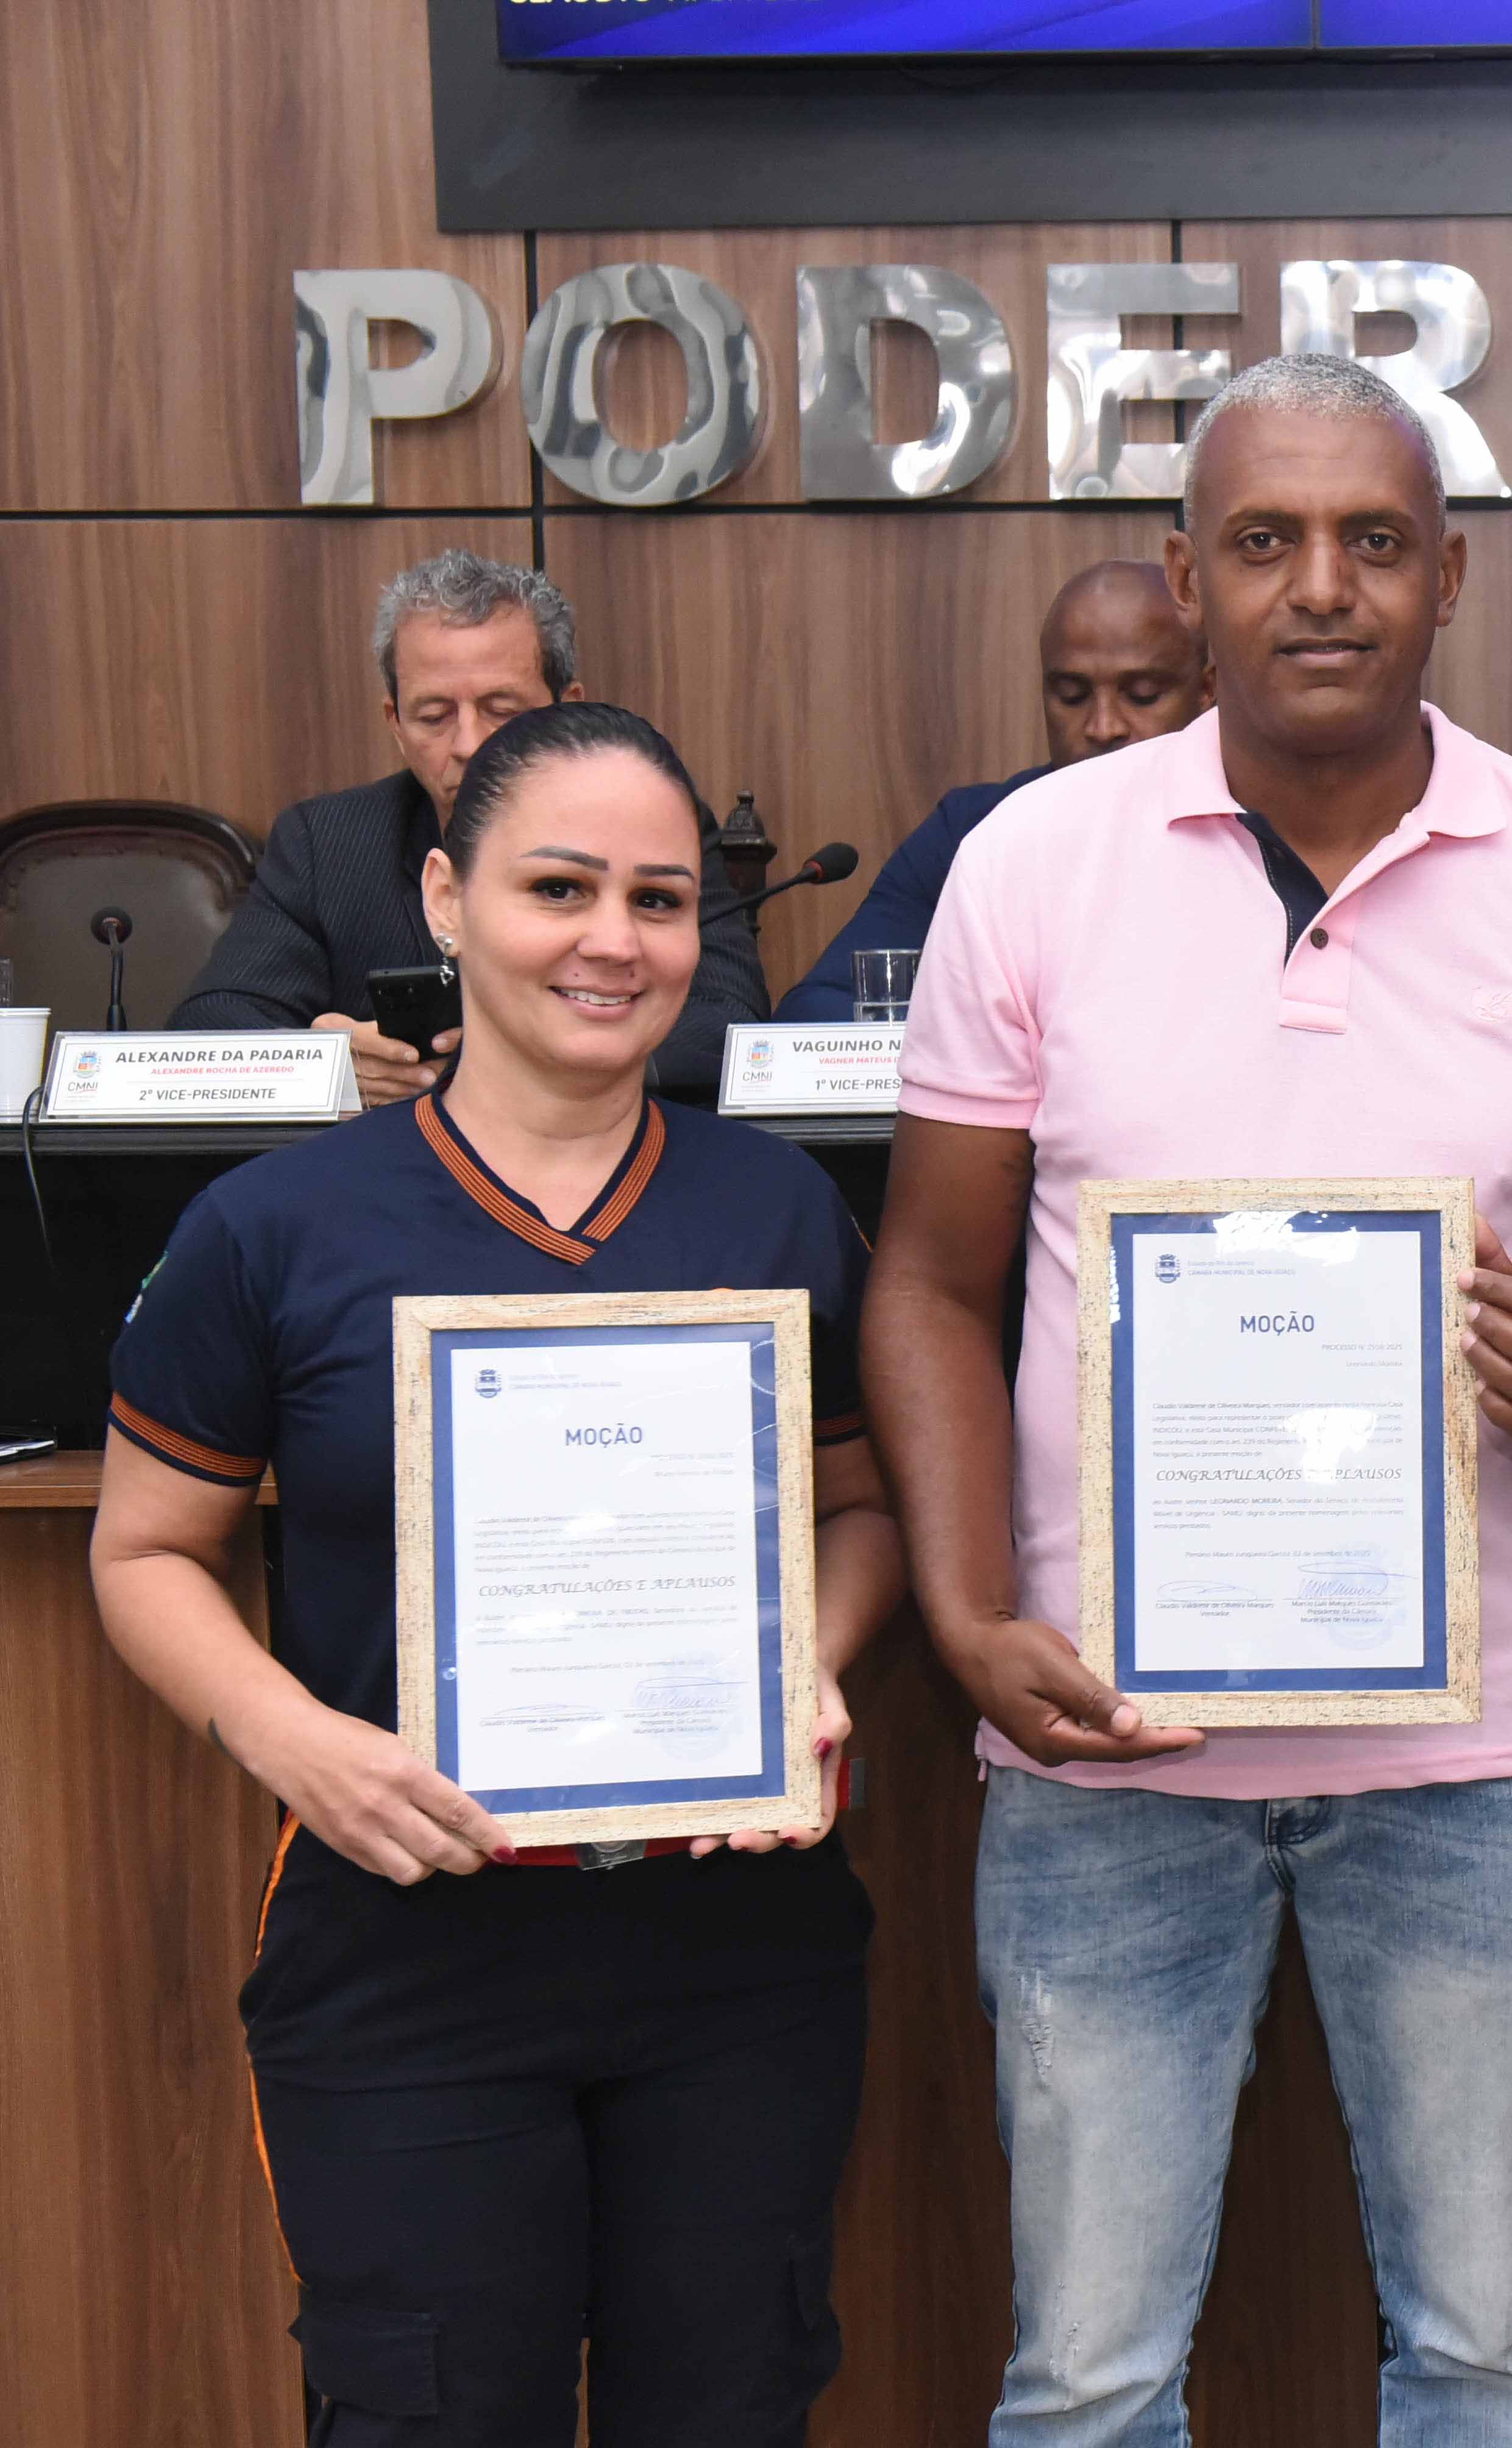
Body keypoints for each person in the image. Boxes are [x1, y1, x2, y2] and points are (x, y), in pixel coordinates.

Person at [861, 352, 1512, 2447]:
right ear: (1190, 578)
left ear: (1450, 577)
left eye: (1373, 541)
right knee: (1085, 2376)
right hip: (1105, 1747)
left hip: (1476, 1760)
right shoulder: (1033, 867)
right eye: (1265, 541)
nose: (1321, 586)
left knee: (1487, 2353)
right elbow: (929, 1279)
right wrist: (969, 1623)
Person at [90, 700, 904, 2446]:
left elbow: (863, 1511)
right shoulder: (275, 1225)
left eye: (664, 900)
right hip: (404, 1955)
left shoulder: (776, 1211)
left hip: (735, 1959)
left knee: (734, 2405)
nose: (616, 941)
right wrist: (297, 1742)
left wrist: (811, 1669)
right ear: (447, 904)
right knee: (434, 2416)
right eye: (561, 887)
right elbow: (144, 1550)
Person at [171, 549, 768, 1098]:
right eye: (433, 715)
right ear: (395, 722)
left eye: (501, 711)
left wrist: (522, 1068)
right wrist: (324, 1066)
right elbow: (211, 1025)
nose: (469, 744)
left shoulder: (652, 827)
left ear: (567, 707)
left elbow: (729, 1028)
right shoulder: (328, 841)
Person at [772, 561, 1207, 1022]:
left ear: (1208, 692)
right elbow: (824, 1010)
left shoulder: (1266, 830)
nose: (1103, 727)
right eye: (1072, 696)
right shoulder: (977, 827)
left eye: (1140, 695)